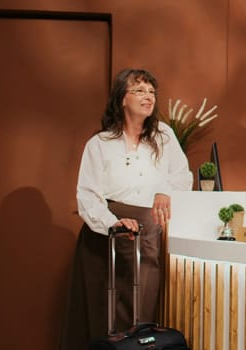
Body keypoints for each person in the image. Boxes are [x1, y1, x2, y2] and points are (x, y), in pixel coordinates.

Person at [59, 68, 193, 349]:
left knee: (140, 312)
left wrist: (164, 192)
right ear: (122, 98)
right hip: (106, 233)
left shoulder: (164, 136)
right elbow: (88, 195)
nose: (148, 97)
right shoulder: (100, 144)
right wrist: (113, 223)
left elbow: (182, 175)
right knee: (104, 310)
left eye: (151, 92)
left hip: (149, 232)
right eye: (140, 90)